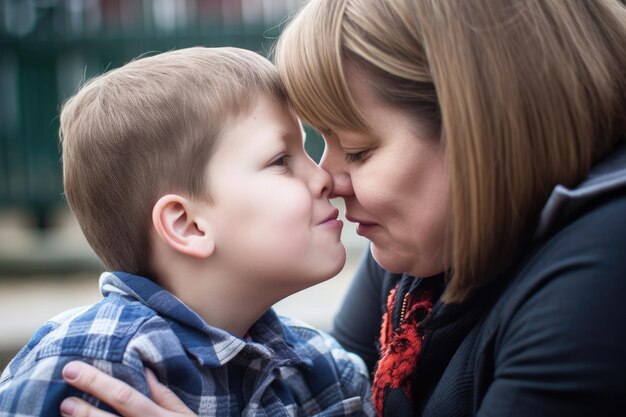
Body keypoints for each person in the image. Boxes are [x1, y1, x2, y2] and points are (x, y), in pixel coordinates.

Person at [54, 0, 626, 416]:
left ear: (490, 131)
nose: (328, 179)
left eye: (357, 149)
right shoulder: (414, 253)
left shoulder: (603, 261)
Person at [0, 46, 374, 417]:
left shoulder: (322, 370)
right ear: (187, 225)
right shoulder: (97, 365)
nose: (324, 177)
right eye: (280, 161)